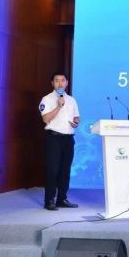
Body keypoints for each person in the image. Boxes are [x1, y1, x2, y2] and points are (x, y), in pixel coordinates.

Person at [39, 72, 80, 211]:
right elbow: (45, 119)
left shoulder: (72, 100)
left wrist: (75, 122)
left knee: (65, 170)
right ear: (52, 83)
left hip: (68, 139)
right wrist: (58, 106)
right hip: (54, 138)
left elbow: (76, 117)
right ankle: (49, 200)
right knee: (52, 170)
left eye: (63, 80)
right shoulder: (46, 99)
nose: (60, 83)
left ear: (67, 83)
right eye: (57, 80)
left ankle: (62, 199)